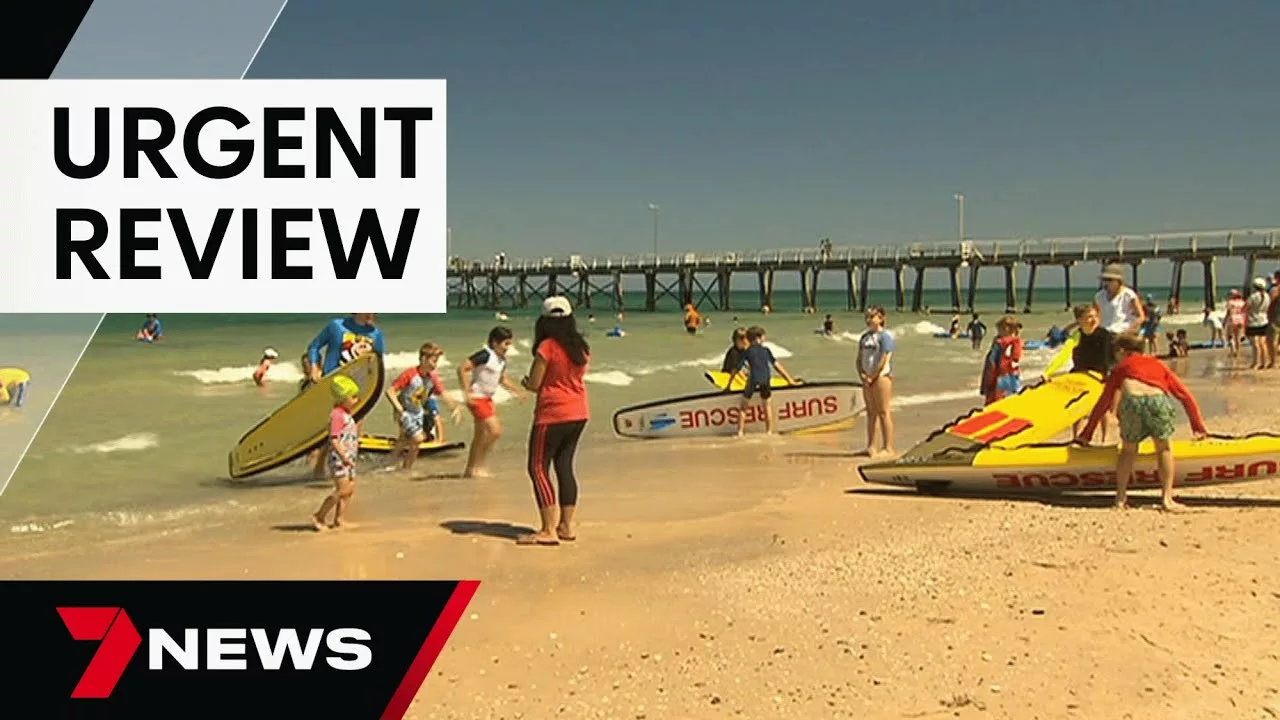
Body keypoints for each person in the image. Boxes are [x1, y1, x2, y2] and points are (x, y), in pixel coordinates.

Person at [1076, 333, 1209, 512]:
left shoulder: (1120, 367)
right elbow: (1184, 395)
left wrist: (1087, 434)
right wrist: (1198, 427)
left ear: (1122, 351)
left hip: (1133, 402)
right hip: (1158, 402)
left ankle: (1120, 498)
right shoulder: (1157, 364)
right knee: (1164, 449)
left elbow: (1104, 402)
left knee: (1128, 450)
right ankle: (1167, 498)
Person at [518, 296, 591, 546]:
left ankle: (548, 529)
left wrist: (526, 383)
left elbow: (536, 384)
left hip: (552, 413)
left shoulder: (547, 346)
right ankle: (566, 526)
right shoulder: (581, 347)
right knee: (564, 466)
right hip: (579, 412)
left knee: (537, 467)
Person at [458, 326, 526, 478]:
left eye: (509, 344)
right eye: (506, 344)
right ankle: (479, 466)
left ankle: (471, 469)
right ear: (495, 343)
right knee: (495, 431)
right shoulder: (485, 355)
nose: (508, 347)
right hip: (477, 398)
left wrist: (517, 391)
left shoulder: (502, 360)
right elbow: (462, 368)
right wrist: (466, 391)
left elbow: (501, 378)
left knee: (481, 435)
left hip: (487, 399)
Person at [1045, 303, 1117, 442]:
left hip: (1100, 375)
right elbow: (1064, 354)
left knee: (1102, 408)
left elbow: (1110, 358)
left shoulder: (1105, 335)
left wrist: (1107, 376)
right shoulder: (1076, 336)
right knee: (1077, 406)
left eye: (1095, 316)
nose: (1093, 319)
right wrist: (1048, 372)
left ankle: (1105, 439)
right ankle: (1076, 437)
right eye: (1089, 317)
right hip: (1080, 374)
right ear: (1079, 320)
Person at [386, 343, 460, 471]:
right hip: (404, 412)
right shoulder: (410, 374)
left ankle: (394, 464)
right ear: (423, 359)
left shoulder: (432, 378)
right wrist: (399, 408)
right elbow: (390, 391)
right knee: (418, 438)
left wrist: (455, 407)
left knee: (404, 439)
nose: (435, 365)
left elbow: (443, 393)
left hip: (417, 412)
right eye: (433, 361)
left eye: (436, 361)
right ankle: (404, 468)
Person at [311, 376, 362, 531]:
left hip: (349, 458)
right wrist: (343, 456)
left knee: (350, 489)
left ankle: (339, 519)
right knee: (342, 490)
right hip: (340, 458)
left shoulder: (347, 414)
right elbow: (334, 439)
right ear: (342, 399)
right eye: (353, 397)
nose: (357, 399)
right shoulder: (337, 415)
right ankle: (319, 515)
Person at [732, 326, 798, 437]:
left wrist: (729, 384)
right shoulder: (766, 350)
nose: (764, 339)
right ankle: (769, 432)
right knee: (767, 405)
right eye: (763, 337)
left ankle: (740, 432)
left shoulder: (747, 351)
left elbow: (736, 369)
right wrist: (789, 380)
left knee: (743, 407)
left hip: (753, 379)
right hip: (765, 378)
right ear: (758, 338)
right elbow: (777, 366)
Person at [856, 306, 896, 457]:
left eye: (872, 317)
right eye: (867, 317)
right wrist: (862, 374)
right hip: (867, 377)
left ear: (881, 318)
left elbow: (884, 358)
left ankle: (888, 447)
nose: (868, 320)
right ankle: (871, 446)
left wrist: (874, 375)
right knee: (871, 413)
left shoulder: (885, 336)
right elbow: (859, 358)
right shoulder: (864, 337)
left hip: (882, 377)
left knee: (883, 412)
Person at [304, 314, 385, 386]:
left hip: (358, 384)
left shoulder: (375, 334)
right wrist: (314, 368)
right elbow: (314, 347)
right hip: (331, 381)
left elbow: (378, 363)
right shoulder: (336, 326)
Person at [980, 316, 1024, 406]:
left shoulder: (999, 343)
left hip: (999, 378)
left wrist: (987, 384)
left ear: (1006, 329)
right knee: (1011, 402)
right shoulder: (1017, 342)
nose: (997, 332)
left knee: (994, 405)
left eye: (999, 329)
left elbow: (992, 363)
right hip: (1012, 377)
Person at [1096, 264, 1146, 336]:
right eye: (1104, 279)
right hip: (1103, 333)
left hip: (1121, 333)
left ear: (1118, 281)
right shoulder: (1099, 296)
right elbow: (1095, 315)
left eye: (1110, 280)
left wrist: (1128, 330)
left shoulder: (1129, 295)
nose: (1106, 282)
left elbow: (1141, 317)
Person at [1245, 277, 1273, 370]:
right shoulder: (1267, 296)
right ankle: (1263, 362)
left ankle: (1255, 362)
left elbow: (1246, 308)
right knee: (1262, 343)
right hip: (1264, 320)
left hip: (1253, 321)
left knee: (1255, 344)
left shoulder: (1253, 296)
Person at [1225, 289, 1247, 358]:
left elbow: (1228, 313)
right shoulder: (1242, 302)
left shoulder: (1230, 302)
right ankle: (1238, 352)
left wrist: (1224, 321)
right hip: (1241, 319)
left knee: (1229, 336)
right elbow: (1245, 312)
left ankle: (1233, 350)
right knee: (1238, 337)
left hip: (1232, 319)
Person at [1269, 270, 1280, 369]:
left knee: (1273, 340)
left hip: (1275, 317)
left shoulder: (1275, 290)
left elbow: (1271, 303)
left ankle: (1273, 362)